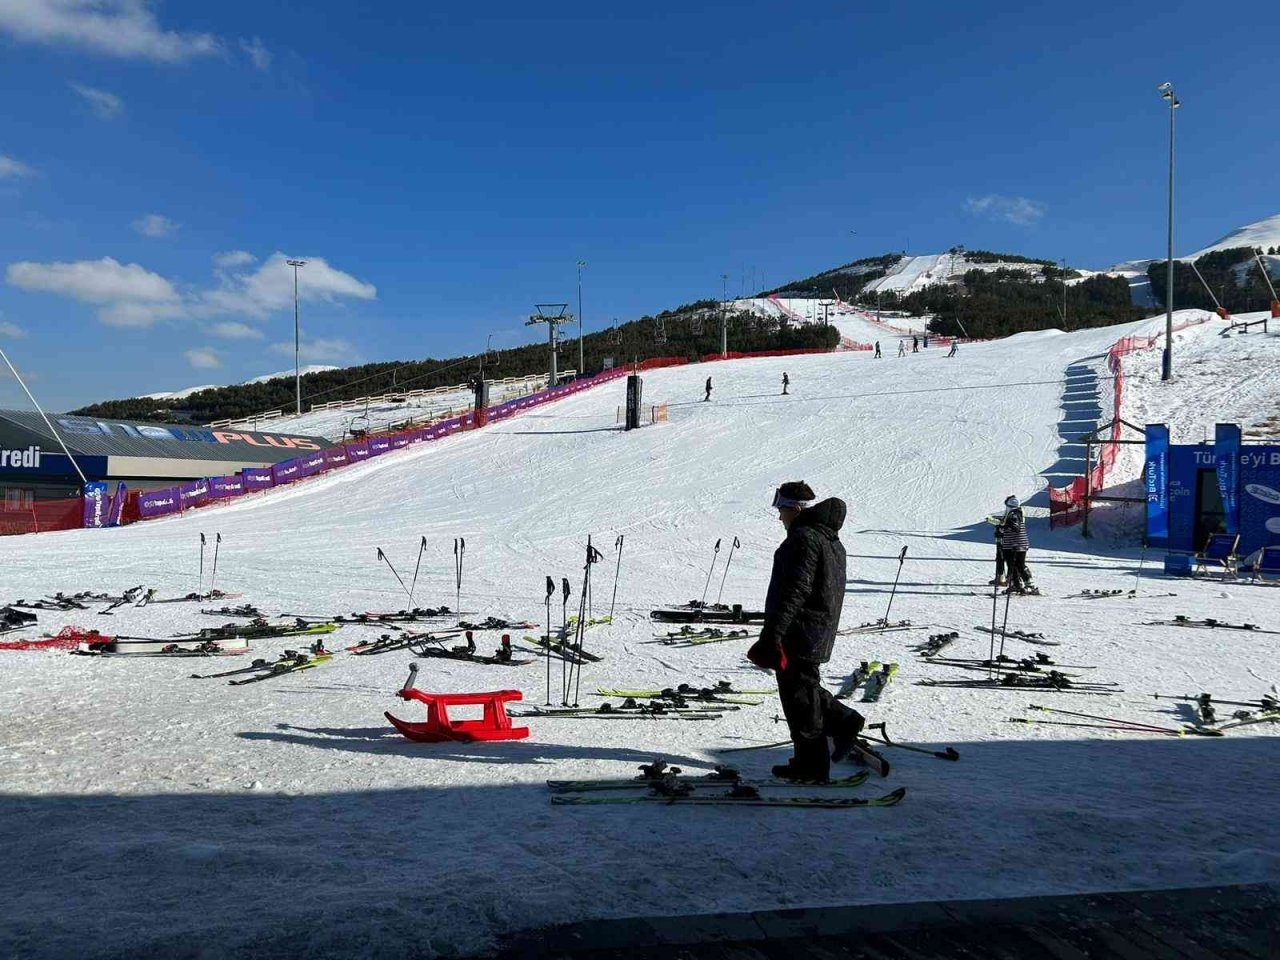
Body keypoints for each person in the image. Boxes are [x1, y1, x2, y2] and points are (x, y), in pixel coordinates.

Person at [747, 481, 862, 781]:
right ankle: (833, 733)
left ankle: (815, 761)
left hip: (800, 630)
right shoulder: (829, 538)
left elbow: (795, 590)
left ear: (796, 510)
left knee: (800, 699)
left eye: (782, 510)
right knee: (804, 691)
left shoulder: (804, 538)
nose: (780, 517)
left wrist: (774, 632)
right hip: (816, 628)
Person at [997, 495, 1034, 594]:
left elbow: (1014, 526)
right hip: (1016, 543)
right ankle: (1016, 584)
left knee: (1018, 564)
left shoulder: (1014, 513)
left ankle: (1028, 584)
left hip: (1014, 544)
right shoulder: (1018, 512)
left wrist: (1002, 528)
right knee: (1012, 565)